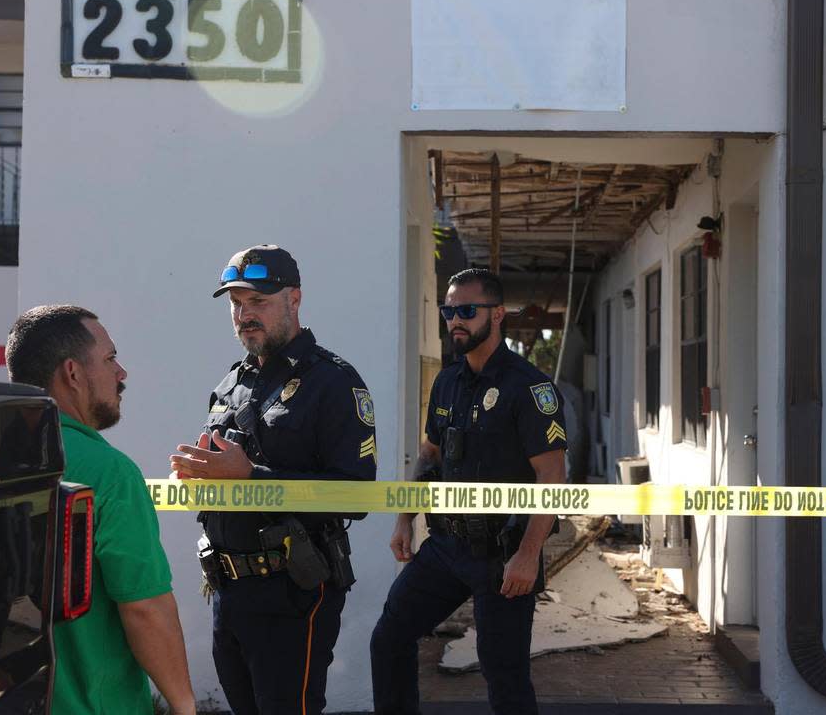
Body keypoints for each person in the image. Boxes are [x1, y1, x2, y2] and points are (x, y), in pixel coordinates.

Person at [169, 244, 377, 715]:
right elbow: (221, 469)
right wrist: (196, 476)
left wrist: (250, 475)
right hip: (228, 587)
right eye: (236, 303)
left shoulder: (334, 381)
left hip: (293, 592)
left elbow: (357, 493)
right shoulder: (230, 384)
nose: (245, 314)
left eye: (258, 301)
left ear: (295, 300)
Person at [370, 268, 568, 715]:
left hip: (504, 555)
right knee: (389, 638)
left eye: (466, 311)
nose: (454, 320)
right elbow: (431, 455)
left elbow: (551, 476)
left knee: (504, 674)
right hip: (447, 545)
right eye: (448, 311)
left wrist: (529, 554)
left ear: (497, 314)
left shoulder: (529, 387)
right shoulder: (447, 382)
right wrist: (406, 517)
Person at [5, 305, 195, 715]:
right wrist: (184, 705)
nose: (121, 373)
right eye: (110, 359)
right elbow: (145, 608)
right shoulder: (110, 473)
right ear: (72, 373)